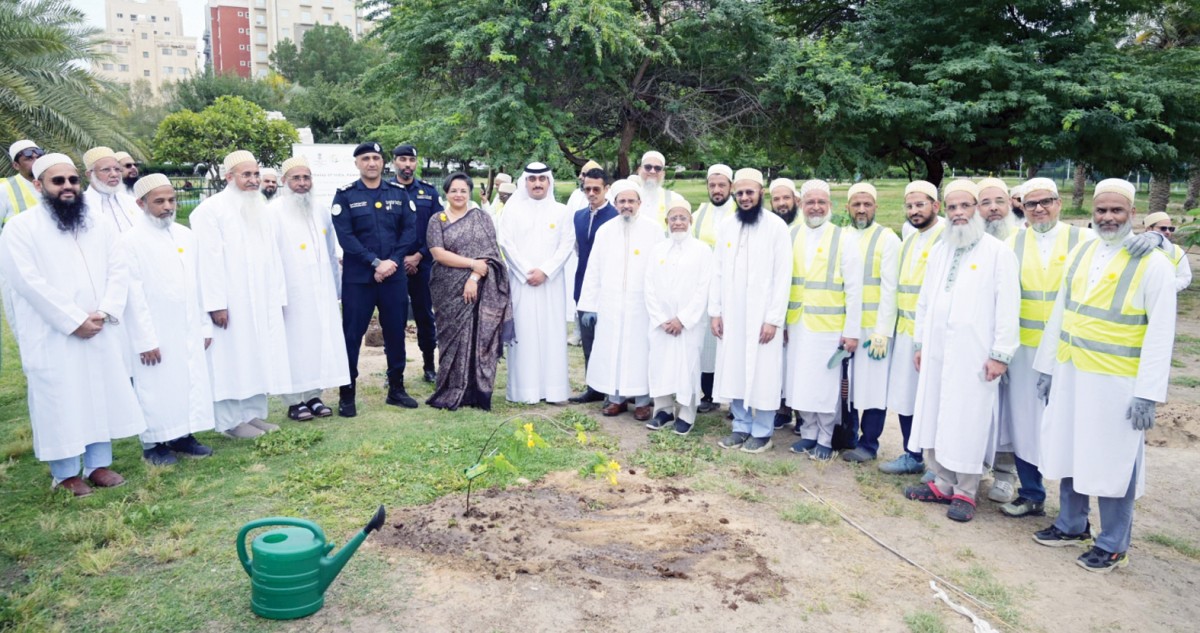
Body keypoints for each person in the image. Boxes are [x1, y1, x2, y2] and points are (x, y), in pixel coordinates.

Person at [1032, 178, 1176, 573]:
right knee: (1071, 448)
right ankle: (1071, 524)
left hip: (1118, 384)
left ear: (1133, 213)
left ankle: (1113, 544)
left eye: (1117, 211)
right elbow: (1061, 311)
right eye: (1101, 210)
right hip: (1072, 373)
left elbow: (1161, 333)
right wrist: (1046, 367)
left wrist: (1148, 393)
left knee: (1115, 461)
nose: (1108, 217)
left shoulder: (1154, 264)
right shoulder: (1083, 251)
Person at [0, 153, 145, 496]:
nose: (67, 187)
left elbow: (118, 269)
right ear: (38, 185)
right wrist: (74, 320)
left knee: (99, 394)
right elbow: (27, 283)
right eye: (57, 181)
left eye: (72, 180)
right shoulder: (21, 228)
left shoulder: (99, 224)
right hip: (54, 334)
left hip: (100, 328)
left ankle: (98, 465)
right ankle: (65, 473)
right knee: (60, 399)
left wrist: (106, 310)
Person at [902, 179, 1019, 523]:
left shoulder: (998, 253)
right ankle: (941, 482)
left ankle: (966, 492)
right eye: (952, 207)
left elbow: (1008, 308)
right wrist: (921, 343)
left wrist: (1000, 354)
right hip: (937, 352)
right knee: (936, 413)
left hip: (975, 355)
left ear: (978, 209)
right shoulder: (941, 249)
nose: (958, 213)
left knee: (967, 419)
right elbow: (925, 301)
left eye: (965, 206)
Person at [992, 177, 1094, 514]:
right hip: (1024, 351)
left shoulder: (1085, 239)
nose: (1039, 209)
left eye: (1046, 201)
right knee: (1023, 421)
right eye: (1031, 203)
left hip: (1070, 352)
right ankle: (1032, 495)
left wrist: (1155, 239)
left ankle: (1074, 512)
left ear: (1059, 202)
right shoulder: (1011, 243)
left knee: (1070, 425)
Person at [190, 150, 291, 438]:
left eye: (256, 174)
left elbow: (273, 256)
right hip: (230, 302)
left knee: (256, 354)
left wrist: (278, 297)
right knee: (231, 358)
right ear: (229, 177)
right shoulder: (209, 211)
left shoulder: (259, 207)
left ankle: (253, 414)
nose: (253, 180)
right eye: (246, 175)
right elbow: (206, 262)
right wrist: (216, 304)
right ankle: (230, 422)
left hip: (261, 298)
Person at [120, 174, 215, 465]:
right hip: (154, 330)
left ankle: (182, 436)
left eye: (171, 200)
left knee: (186, 380)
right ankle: (153, 443)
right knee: (154, 385)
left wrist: (203, 324)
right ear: (141, 203)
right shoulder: (129, 241)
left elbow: (196, 284)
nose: (167, 206)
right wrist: (145, 339)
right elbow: (132, 295)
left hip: (185, 325)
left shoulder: (185, 235)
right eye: (159, 201)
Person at [331, 142, 419, 415]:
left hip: (393, 277)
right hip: (359, 278)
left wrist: (392, 261)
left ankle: (396, 389)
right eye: (366, 158)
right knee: (352, 335)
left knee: (395, 333)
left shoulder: (398, 193)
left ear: (383, 163)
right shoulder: (345, 196)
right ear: (357, 163)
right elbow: (345, 236)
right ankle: (347, 395)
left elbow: (409, 230)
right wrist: (375, 262)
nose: (372, 163)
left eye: (376, 158)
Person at [710, 168, 792, 454]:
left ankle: (762, 431)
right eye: (740, 193)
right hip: (732, 314)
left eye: (750, 193)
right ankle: (740, 426)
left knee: (764, 374)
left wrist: (773, 319)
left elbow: (783, 277)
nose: (745, 198)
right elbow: (717, 272)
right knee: (734, 369)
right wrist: (715, 311)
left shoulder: (776, 227)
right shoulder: (727, 226)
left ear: (761, 193)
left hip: (762, 318)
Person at [784, 179, 863, 460]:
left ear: (830, 205)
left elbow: (855, 290)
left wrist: (852, 331)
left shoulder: (844, 238)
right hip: (797, 323)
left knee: (824, 386)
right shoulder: (791, 235)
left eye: (821, 202)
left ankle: (826, 439)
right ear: (801, 205)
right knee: (800, 381)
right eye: (810, 202)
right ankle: (808, 433)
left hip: (830, 328)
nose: (815, 207)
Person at [269, 156, 349, 421]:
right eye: (296, 178)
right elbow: (269, 259)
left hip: (320, 289)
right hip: (291, 292)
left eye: (306, 178)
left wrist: (335, 288)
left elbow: (329, 253)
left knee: (319, 340)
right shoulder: (272, 212)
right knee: (294, 343)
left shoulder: (321, 210)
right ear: (284, 181)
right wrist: (276, 294)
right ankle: (294, 401)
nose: (302, 183)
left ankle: (314, 396)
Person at [426, 172, 513, 410]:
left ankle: (477, 393)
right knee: (449, 339)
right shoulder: (437, 219)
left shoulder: (481, 218)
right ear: (446, 192)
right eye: (454, 190)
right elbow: (438, 253)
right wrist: (471, 263)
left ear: (470, 192)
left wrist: (474, 277)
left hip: (478, 288)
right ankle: (450, 389)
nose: (458, 194)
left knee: (478, 336)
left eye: (463, 190)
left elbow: (489, 254)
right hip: (445, 288)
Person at [578, 179, 662, 421]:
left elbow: (659, 269)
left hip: (642, 305)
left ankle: (644, 402)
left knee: (640, 351)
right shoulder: (605, 231)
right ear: (615, 204)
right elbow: (593, 270)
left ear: (640, 203)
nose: (627, 205)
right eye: (622, 201)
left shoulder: (653, 230)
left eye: (631, 201)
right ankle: (616, 399)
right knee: (612, 349)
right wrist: (589, 306)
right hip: (611, 303)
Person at [880, 181, 944, 476]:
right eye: (909, 206)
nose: (914, 211)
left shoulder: (947, 236)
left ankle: (937, 462)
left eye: (920, 205)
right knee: (905, 397)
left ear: (936, 206)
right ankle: (911, 454)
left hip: (934, 335)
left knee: (933, 400)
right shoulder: (908, 238)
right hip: (906, 331)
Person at [497, 162, 574, 404]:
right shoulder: (512, 210)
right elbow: (506, 243)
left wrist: (546, 272)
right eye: (532, 179)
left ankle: (554, 391)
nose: (537, 184)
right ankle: (524, 391)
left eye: (542, 179)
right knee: (525, 335)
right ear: (525, 182)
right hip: (521, 283)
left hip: (552, 284)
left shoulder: (562, 211)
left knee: (553, 335)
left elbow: (567, 245)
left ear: (549, 182)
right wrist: (526, 272)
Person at [841, 183, 902, 464]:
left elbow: (890, 290)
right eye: (856, 204)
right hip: (847, 328)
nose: (862, 209)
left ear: (875, 206)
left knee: (874, 388)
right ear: (848, 208)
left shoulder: (887, 239)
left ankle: (869, 443)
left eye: (867, 204)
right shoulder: (842, 237)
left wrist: (882, 332)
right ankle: (848, 436)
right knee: (849, 386)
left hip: (874, 330)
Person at [645, 193, 714, 434]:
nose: (677, 222)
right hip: (661, 324)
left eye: (682, 218)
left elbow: (703, 289)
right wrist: (662, 319)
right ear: (667, 222)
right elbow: (649, 287)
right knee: (660, 365)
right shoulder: (657, 250)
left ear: (690, 221)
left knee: (688, 367)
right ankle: (662, 410)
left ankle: (686, 413)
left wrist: (682, 319)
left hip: (689, 325)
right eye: (673, 218)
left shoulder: (702, 251)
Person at [974, 177, 1021, 501]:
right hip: (978, 342)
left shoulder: (1025, 238)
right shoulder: (970, 240)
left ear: (1010, 204)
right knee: (978, 409)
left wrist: (1158, 241)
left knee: (1010, 414)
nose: (992, 209)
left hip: (1020, 344)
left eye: (998, 202)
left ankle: (1006, 475)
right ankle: (972, 466)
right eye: (985, 203)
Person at [390, 144, 441, 382]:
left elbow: (437, 227)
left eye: (411, 160)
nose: (407, 164)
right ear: (394, 163)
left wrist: (419, 255)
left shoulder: (429, 193)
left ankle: (429, 366)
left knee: (424, 316)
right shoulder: (385, 190)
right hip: (393, 265)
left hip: (423, 264)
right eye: (402, 159)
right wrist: (400, 259)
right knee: (394, 318)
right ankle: (394, 371)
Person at [568, 167, 618, 404]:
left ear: (606, 189)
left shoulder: (617, 216)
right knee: (588, 340)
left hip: (610, 285)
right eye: (586, 189)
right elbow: (578, 249)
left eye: (596, 189)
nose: (590, 193)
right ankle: (593, 387)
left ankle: (613, 389)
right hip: (583, 282)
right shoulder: (578, 216)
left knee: (608, 338)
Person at [692, 164, 735, 413]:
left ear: (730, 186)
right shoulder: (699, 213)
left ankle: (732, 399)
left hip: (732, 289)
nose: (716, 190)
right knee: (707, 344)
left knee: (731, 344)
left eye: (721, 185)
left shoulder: (742, 211)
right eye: (712, 185)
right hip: (705, 287)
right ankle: (708, 395)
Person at [768, 178, 806, 430]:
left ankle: (803, 415)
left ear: (797, 201)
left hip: (804, 312)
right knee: (778, 362)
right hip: (776, 307)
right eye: (777, 199)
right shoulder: (770, 228)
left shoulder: (808, 229)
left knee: (800, 365)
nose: (782, 204)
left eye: (786, 198)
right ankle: (781, 408)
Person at [81, 147, 138, 233]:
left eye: (117, 169)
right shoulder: (81, 205)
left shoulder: (131, 201)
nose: (114, 174)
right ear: (89, 174)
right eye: (106, 170)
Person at [1142, 211, 1192, 292]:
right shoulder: (1137, 248)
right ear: (1149, 229)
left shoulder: (1177, 251)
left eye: (1170, 229)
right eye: (1163, 228)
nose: (1167, 232)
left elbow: (1184, 278)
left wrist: (1166, 288)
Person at [0, 140, 43, 227]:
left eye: (38, 157)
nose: (37, 162)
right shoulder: (4, 189)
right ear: (16, 165)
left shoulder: (57, 184)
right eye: (29, 159)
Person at [637, 150, 668, 226]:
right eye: (648, 167)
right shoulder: (629, 196)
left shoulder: (675, 198)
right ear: (639, 170)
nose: (652, 171)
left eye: (657, 168)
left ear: (663, 173)